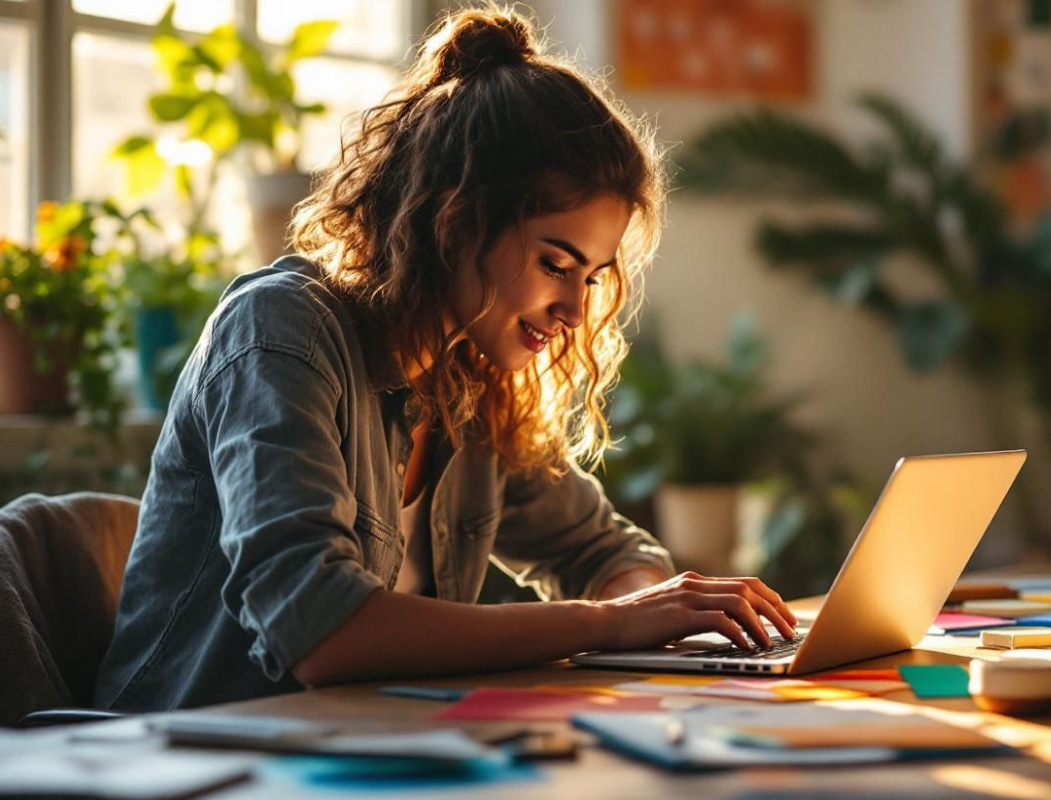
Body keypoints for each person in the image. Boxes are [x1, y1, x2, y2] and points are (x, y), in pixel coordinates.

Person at [94, 5, 797, 712]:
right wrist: (609, 622)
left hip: (370, 755)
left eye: (591, 277)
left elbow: (601, 552)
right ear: (455, 223)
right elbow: (319, 629)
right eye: (556, 263)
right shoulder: (280, 331)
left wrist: (650, 605)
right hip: (190, 758)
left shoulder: (470, 380)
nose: (577, 311)